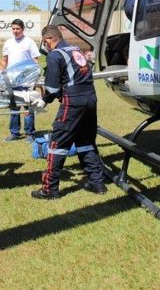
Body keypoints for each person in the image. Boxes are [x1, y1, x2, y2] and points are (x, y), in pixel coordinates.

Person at [28, 25, 106, 199]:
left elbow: (52, 88)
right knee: (86, 141)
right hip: (90, 99)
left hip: (73, 103)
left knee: (57, 144)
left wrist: (43, 100)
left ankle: (49, 189)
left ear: (48, 40)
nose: (45, 46)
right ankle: (96, 182)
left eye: (44, 42)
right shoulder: (75, 49)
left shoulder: (55, 55)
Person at [0, 18, 41, 142]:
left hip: (27, 80)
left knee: (28, 106)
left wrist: (35, 75)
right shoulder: (8, 43)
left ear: (22, 29)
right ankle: (14, 133)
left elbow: (36, 60)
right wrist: (2, 73)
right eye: (13, 29)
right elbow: (4, 60)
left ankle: (29, 133)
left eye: (17, 29)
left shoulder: (29, 42)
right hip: (12, 80)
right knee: (14, 106)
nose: (15, 31)